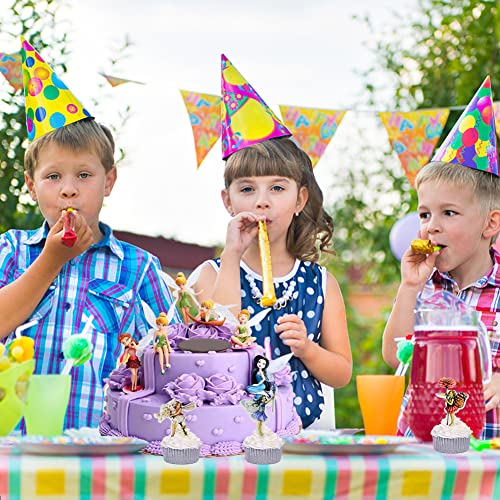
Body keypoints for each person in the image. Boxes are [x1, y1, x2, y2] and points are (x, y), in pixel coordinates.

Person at [0, 38, 180, 430]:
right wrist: (51, 260)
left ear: (109, 181)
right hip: (10, 447)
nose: (68, 189)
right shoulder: (10, 250)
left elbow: (170, 362)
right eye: (53, 177)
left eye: (84, 175)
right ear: (31, 186)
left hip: (101, 448)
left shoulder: (139, 268)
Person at [194, 54, 351, 429]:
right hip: (226, 434)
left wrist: (308, 350)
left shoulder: (321, 284)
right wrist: (231, 256)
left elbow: (341, 372)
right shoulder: (207, 275)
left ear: (299, 201)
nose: (261, 201)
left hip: (305, 438)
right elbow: (219, 340)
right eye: (247, 189)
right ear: (228, 201)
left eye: (277, 188)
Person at [382, 76, 500, 438]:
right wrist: (408, 287)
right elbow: (395, 355)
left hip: (487, 452)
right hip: (421, 446)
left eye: (449, 213)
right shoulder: (424, 288)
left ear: (490, 223)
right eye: (424, 214)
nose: (432, 226)